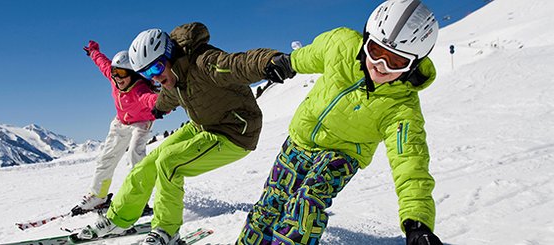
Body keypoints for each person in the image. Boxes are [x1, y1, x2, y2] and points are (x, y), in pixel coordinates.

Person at [238, 0, 444, 244]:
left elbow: (411, 163)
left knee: (305, 205)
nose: (381, 66)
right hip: (300, 139)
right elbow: (310, 55)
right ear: (366, 40)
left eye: (396, 62)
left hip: (343, 154)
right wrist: (288, 63)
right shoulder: (341, 44)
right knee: (270, 205)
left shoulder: (402, 108)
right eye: (376, 52)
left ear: (414, 64)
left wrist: (416, 223)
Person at [77, 22, 296, 245]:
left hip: (234, 131)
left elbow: (238, 63)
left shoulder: (205, 63)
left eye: (155, 68)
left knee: (170, 163)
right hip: (203, 125)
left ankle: (167, 231)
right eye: (145, 73)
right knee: (147, 163)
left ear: (169, 54)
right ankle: (118, 219)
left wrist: (271, 61)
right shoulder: (173, 75)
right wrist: (158, 107)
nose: (154, 77)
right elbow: (172, 94)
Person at [71, 41, 159, 215]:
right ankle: (98, 197)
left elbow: (151, 99)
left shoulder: (139, 88)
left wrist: (161, 105)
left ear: (133, 74)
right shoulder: (114, 79)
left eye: (121, 73)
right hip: (120, 122)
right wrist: (94, 51)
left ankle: (139, 201)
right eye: (114, 72)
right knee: (106, 159)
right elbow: (103, 62)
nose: (116, 77)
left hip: (141, 124)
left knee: (135, 157)